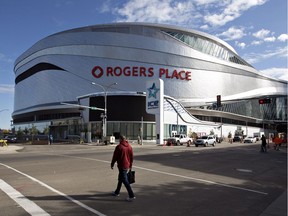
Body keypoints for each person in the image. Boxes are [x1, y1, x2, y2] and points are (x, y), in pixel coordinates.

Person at [111, 135, 135, 201]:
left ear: (121, 139)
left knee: (124, 180)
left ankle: (131, 195)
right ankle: (117, 192)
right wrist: (130, 166)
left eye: (119, 139)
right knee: (120, 178)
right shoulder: (129, 147)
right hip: (127, 165)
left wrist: (112, 164)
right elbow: (131, 157)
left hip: (122, 166)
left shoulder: (119, 147)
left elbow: (115, 157)